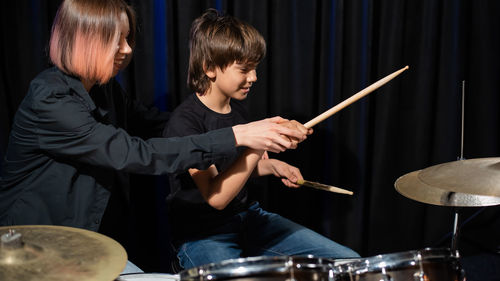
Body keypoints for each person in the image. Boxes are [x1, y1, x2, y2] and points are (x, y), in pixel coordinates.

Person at [0, 0, 308, 273]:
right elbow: (134, 153)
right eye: (116, 40)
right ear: (84, 40)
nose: (128, 49)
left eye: (127, 38)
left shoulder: (104, 89)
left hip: (82, 242)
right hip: (33, 245)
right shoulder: (50, 99)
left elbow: (164, 124)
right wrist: (239, 135)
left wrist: (256, 132)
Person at [163, 9, 360, 270]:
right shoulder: (185, 124)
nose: (253, 78)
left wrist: (273, 166)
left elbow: (239, 168)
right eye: (244, 70)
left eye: (254, 69)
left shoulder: (237, 110)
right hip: (203, 234)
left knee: (347, 263)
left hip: (248, 218)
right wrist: (260, 144)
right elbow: (216, 196)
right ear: (209, 68)